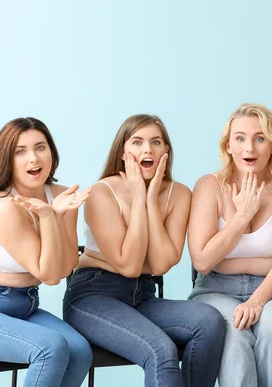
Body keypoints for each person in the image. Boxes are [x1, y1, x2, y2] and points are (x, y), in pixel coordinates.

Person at [63, 114, 225, 387]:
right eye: (137, 142)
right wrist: (138, 196)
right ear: (123, 152)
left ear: (166, 152)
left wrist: (149, 201)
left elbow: (160, 265)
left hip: (142, 297)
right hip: (93, 296)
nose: (147, 150)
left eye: (155, 142)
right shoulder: (102, 193)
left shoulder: (180, 194)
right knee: (160, 350)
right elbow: (128, 265)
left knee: (209, 322)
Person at [0, 117, 93, 387]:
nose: (33, 158)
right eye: (20, 151)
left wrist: (57, 215)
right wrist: (50, 218)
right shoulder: (5, 207)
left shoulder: (61, 195)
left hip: (24, 306)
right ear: (7, 160)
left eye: (40, 147)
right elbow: (49, 275)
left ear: (51, 151)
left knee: (80, 351)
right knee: (50, 348)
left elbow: (66, 265)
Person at [188, 103, 272, 387]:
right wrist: (242, 217)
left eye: (260, 138)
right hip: (215, 288)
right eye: (240, 138)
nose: (249, 148)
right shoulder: (209, 186)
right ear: (228, 146)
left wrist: (256, 301)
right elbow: (203, 261)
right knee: (233, 329)